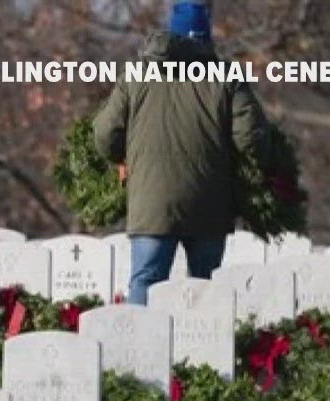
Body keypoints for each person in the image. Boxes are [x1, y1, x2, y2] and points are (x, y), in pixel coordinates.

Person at [92, 2, 276, 304]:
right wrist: (254, 171)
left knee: (146, 281)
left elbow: (104, 134)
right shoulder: (226, 78)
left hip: (152, 203)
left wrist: (121, 159)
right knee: (205, 290)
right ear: (207, 35)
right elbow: (250, 139)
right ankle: (203, 351)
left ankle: (139, 348)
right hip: (209, 200)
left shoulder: (136, 76)